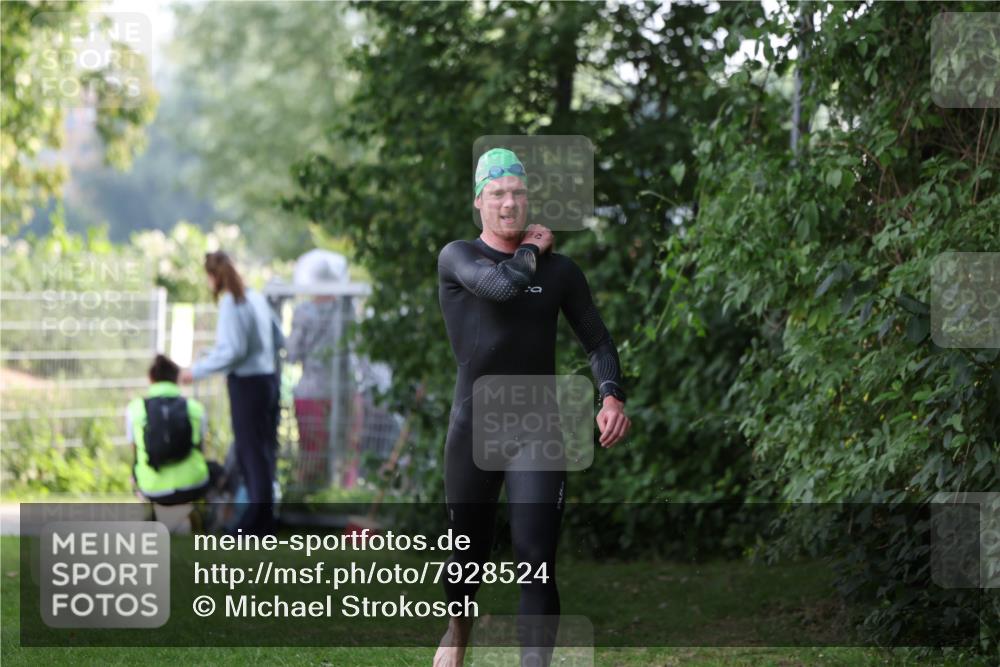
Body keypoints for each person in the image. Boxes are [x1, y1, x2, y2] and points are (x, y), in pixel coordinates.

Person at [433, 148, 631, 667]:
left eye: (518, 193)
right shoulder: (458, 257)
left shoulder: (561, 272)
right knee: (466, 559)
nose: (509, 203)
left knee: (537, 562)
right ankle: (458, 630)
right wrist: (534, 250)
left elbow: (597, 340)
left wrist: (611, 393)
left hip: (537, 428)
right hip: (474, 428)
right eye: (497, 194)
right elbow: (500, 288)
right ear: (479, 201)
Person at [180, 250, 284, 536]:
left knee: (250, 452)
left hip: (247, 385)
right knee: (263, 452)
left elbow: (232, 351)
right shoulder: (256, 298)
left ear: (213, 277)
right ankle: (263, 518)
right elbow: (278, 337)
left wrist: (196, 370)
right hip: (269, 381)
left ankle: (255, 523)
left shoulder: (231, 302)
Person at [126, 354, 221, 506]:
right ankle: (205, 514)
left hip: (151, 488)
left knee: (136, 469)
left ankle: (151, 511)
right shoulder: (195, 408)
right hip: (193, 485)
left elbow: (135, 451)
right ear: (177, 378)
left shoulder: (135, 409)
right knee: (215, 469)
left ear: (150, 378)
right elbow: (201, 449)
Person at [285, 253, 347, 485]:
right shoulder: (345, 309)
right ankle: (338, 495)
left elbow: (292, 354)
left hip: (310, 391)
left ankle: (307, 496)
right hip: (342, 391)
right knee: (342, 452)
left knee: (311, 454)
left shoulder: (303, 312)